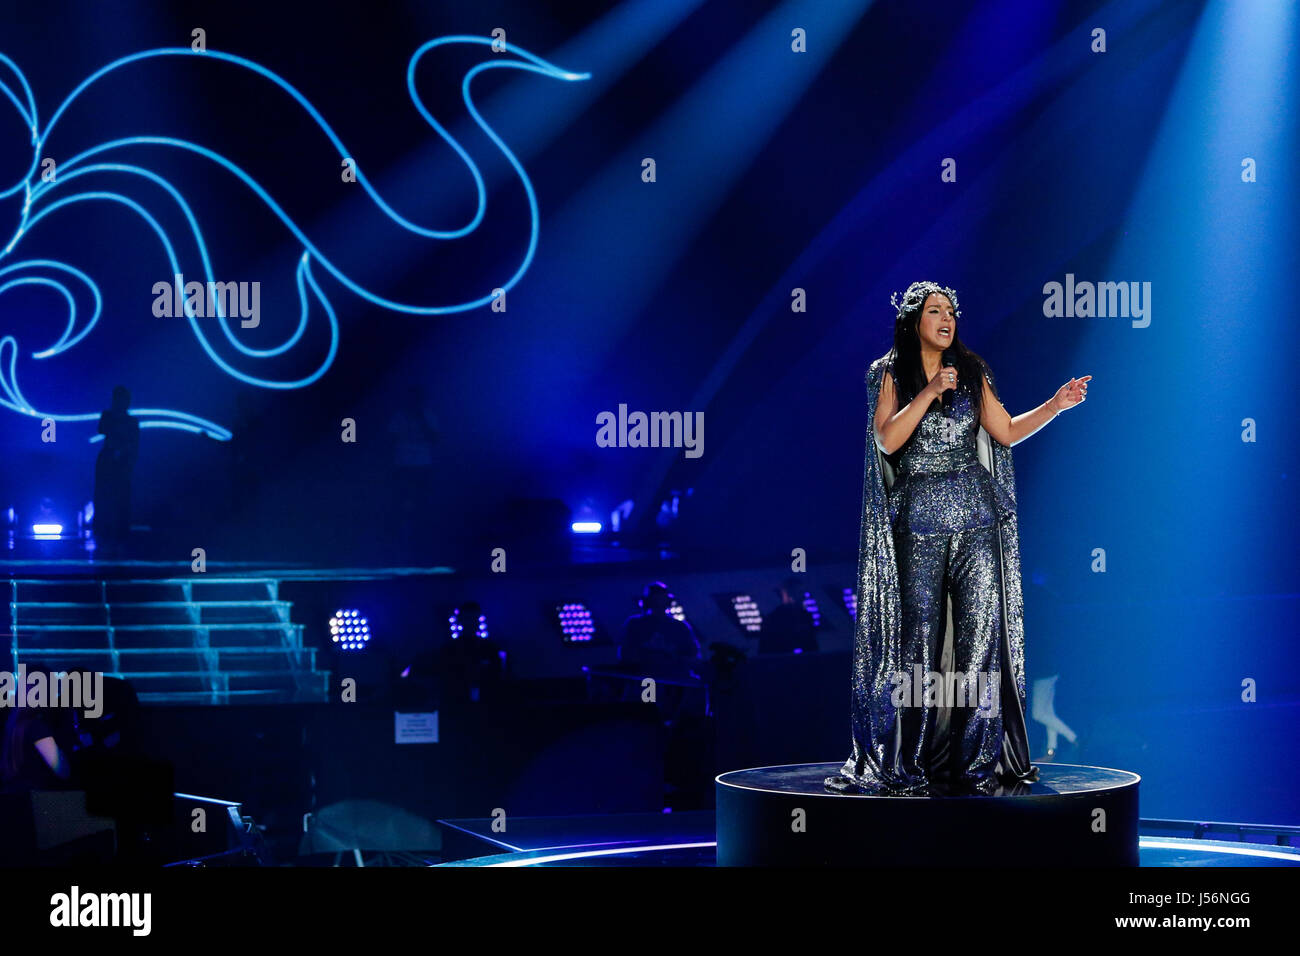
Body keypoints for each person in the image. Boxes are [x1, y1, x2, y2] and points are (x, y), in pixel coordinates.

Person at [825, 281, 1090, 795]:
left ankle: (975, 763)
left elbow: (1006, 431)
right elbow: (886, 438)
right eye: (935, 311)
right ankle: (914, 761)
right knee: (917, 646)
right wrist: (927, 391)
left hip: (976, 519)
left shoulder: (972, 371)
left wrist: (1055, 405)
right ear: (912, 320)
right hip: (917, 522)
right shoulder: (889, 372)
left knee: (981, 642)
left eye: (951, 311)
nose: (947, 319)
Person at [617, 582, 701, 679]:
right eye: (655, 600)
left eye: (660, 599)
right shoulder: (634, 624)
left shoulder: (680, 627)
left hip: (672, 681)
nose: (658, 603)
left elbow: (693, 657)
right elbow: (625, 656)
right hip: (644, 680)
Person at [94, 385, 140, 557]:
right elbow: (102, 429)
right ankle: (104, 537)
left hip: (122, 464)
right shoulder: (108, 416)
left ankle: (119, 539)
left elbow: (135, 444)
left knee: (121, 502)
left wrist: (128, 461)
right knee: (104, 500)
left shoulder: (132, 421)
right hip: (107, 462)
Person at [759, 577, 819, 654]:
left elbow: (812, 645)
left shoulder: (806, 617)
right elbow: (766, 649)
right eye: (798, 592)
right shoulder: (773, 619)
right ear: (785, 594)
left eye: (801, 592)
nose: (802, 596)